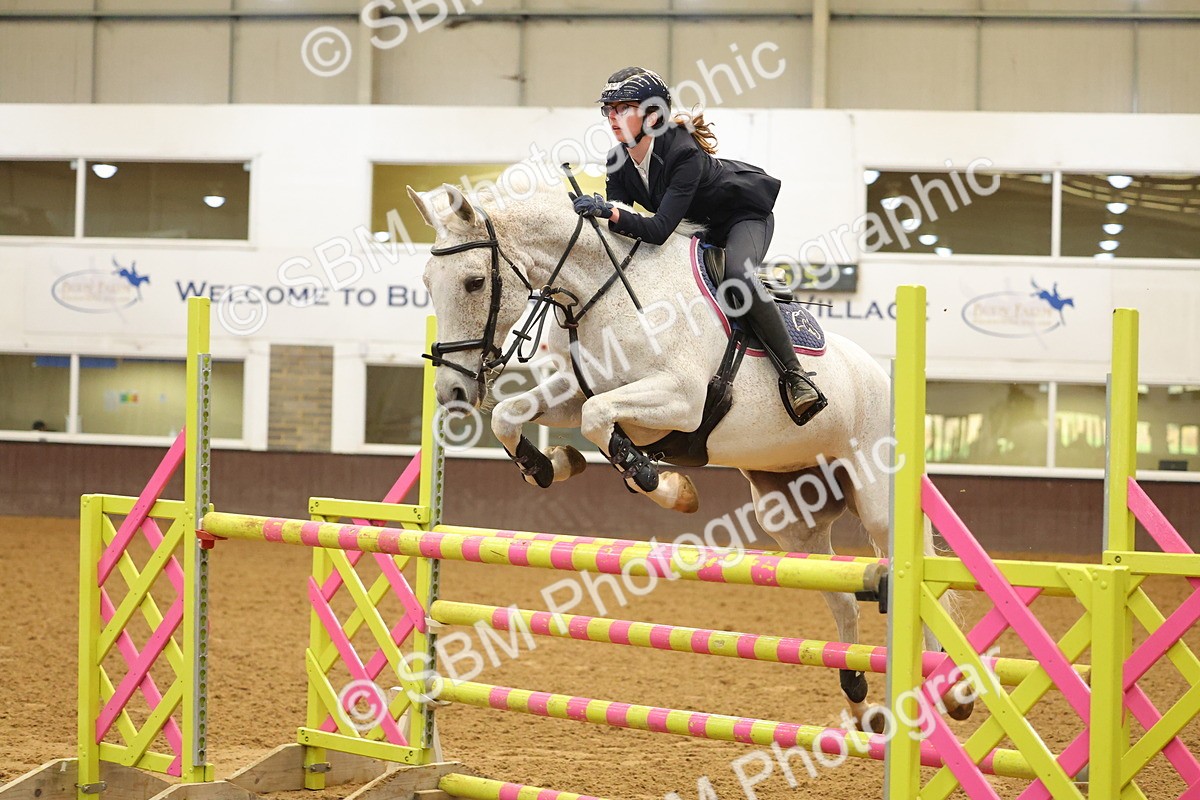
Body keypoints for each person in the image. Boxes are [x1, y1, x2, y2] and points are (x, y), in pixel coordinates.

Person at [572, 66, 823, 425]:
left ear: (653, 114)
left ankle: (796, 376)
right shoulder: (617, 160)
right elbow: (623, 224)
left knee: (736, 275)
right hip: (694, 230)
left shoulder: (682, 152)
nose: (612, 117)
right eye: (608, 110)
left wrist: (609, 212)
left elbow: (656, 230)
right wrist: (593, 216)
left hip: (740, 218)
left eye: (623, 108)